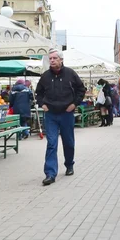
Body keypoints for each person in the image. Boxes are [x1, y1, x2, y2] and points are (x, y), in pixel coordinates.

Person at [35, 49, 86, 186]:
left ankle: (69, 164)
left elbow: (81, 89)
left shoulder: (70, 74)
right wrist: (42, 104)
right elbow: (38, 93)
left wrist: (74, 104)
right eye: (50, 58)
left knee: (68, 142)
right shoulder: (45, 76)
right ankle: (50, 174)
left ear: (61, 60)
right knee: (51, 143)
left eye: (54, 58)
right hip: (51, 114)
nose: (51, 60)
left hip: (66, 114)